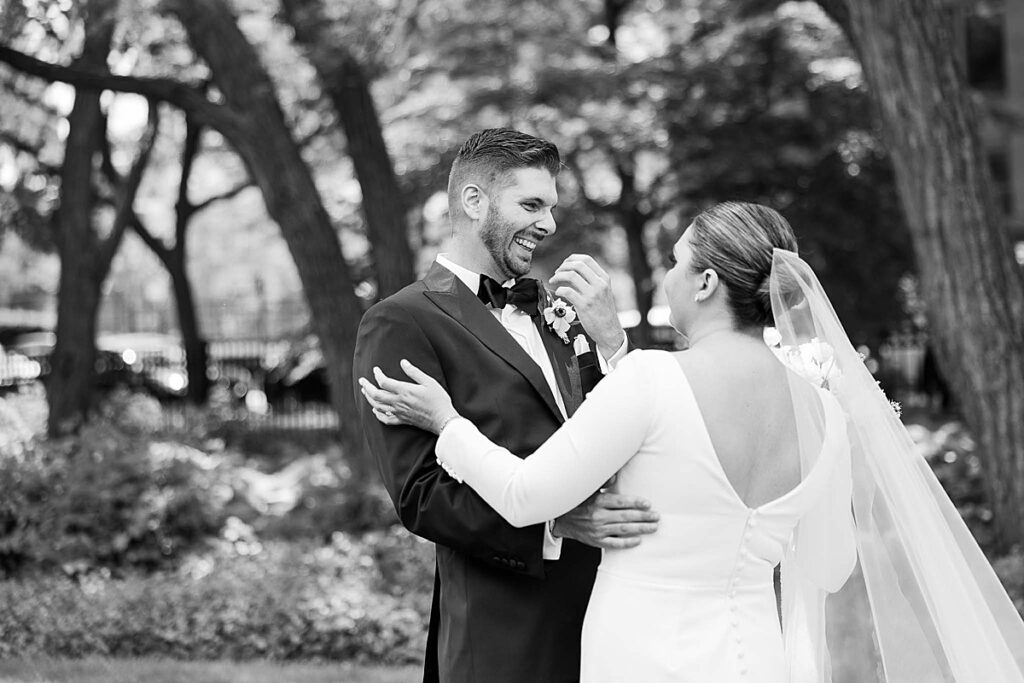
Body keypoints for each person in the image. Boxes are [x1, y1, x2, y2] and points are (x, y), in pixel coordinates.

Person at [362, 201, 1024, 682]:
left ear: (707, 282)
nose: (667, 278)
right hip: (761, 659)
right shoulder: (824, 410)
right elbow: (825, 562)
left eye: (678, 262)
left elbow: (523, 492)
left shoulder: (652, 378)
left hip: (643, 658)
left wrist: (446, 422)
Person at [352, 128, 659, 683]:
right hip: (501, 631)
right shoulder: (401, 322)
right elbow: (420, 496)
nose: (549, 223)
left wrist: (612, 344)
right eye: (532, 204)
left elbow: (611, 428)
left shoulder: (559, 309)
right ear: (475, 202)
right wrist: (557, 523)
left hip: (606, 615)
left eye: (551, 207)